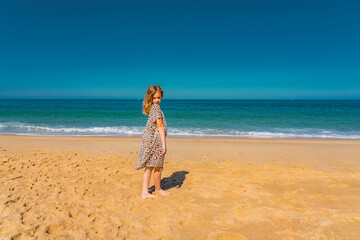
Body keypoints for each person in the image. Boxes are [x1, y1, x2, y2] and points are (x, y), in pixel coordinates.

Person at [135, 85, 171, 199]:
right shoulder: (156, 109)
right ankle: (156, 189)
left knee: (151, 166)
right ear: (150, 98)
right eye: (154, 98)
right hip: (154, 141)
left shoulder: (153, 108)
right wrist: (164, 145)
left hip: (150, 140)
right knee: (156, 166)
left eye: (158, 98)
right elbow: (160, 127)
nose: (157, 100)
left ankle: (147, 191)